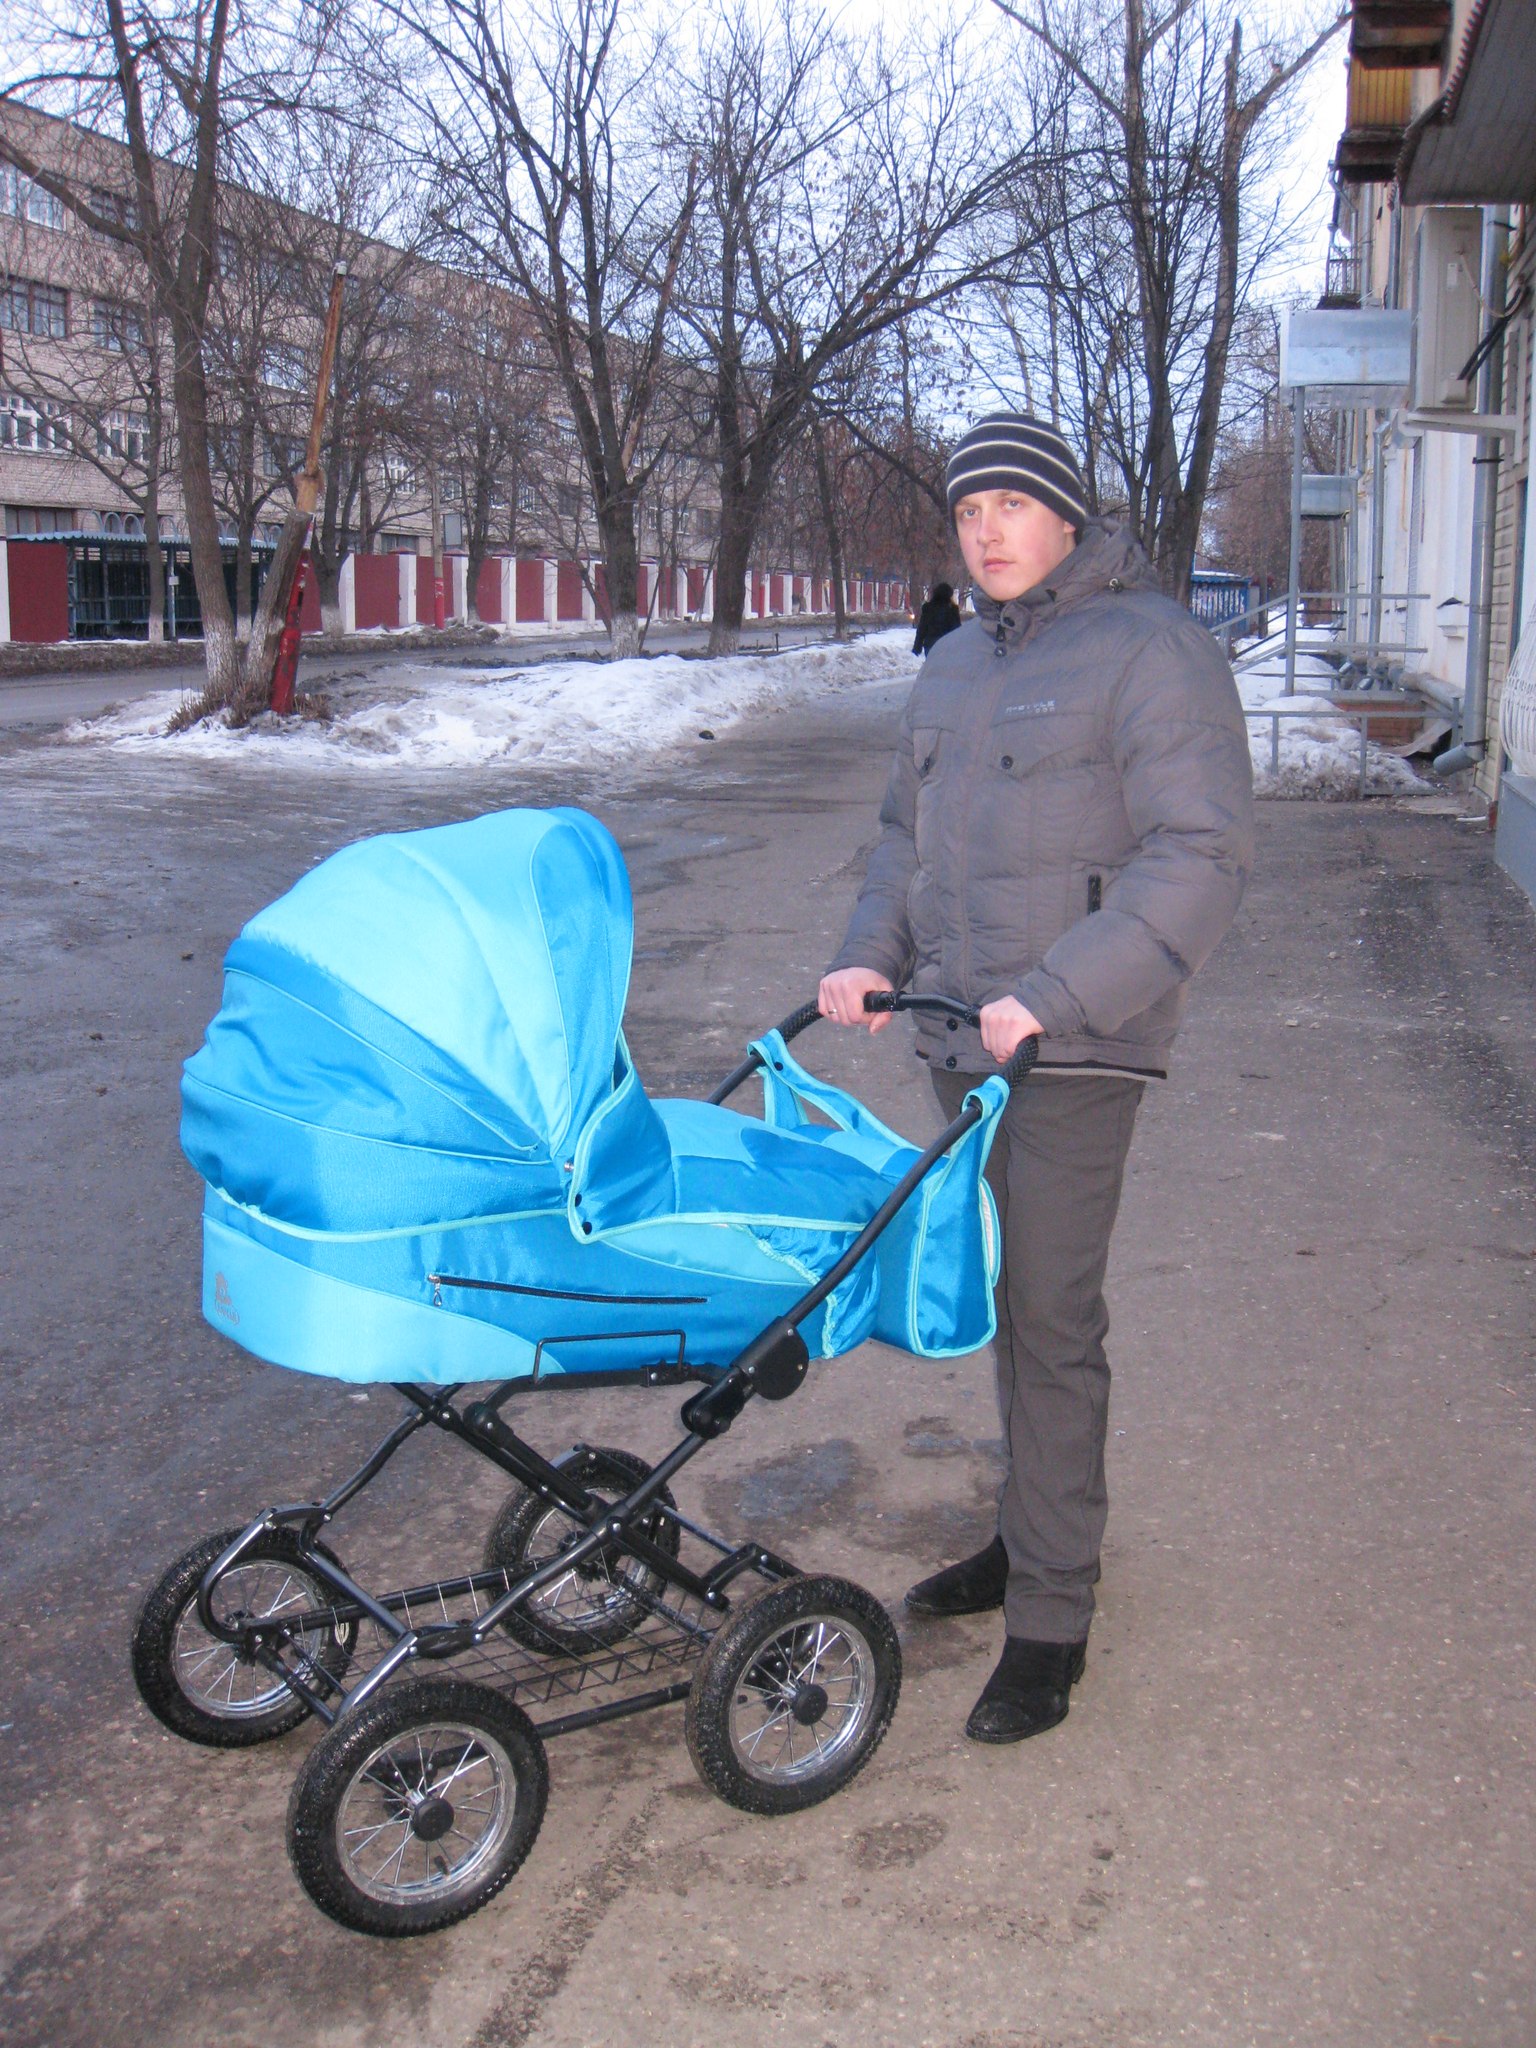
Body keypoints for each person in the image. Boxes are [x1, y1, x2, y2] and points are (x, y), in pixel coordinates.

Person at [818, 411, 1254, 1745]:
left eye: (1011, 503)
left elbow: (1199, 856)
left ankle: (1053, 1612)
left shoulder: (1154, 651)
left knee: (1052, 1315)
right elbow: (906, 841)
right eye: (968, 509)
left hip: (1077, 1042)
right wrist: (868, 956)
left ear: (1069, 515)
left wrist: (1053, 998)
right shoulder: (952, 663)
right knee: (1005, 1299)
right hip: (963, 1039)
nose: (987, 529)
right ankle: (1029, 1530)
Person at [912, 580, 961, 656]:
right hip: (947, 644)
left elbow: (922, 628)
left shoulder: (928, 607)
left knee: (932, 662)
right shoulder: (952, 609)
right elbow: (956, 629)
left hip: (930, 644)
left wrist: (917, 646)